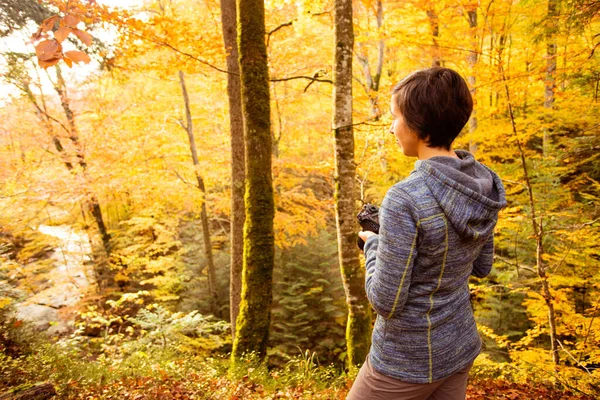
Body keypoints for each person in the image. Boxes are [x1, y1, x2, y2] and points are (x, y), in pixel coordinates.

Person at [347, 67, 507, 400]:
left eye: (395, 118)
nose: (392, 128)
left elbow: (386, 301)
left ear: (418, 125)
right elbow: (482, 266)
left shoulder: (405, 197)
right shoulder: (482, 183)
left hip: (403, 361)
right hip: (458, 348)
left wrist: (374, 245)